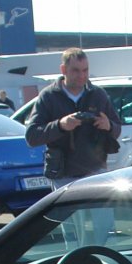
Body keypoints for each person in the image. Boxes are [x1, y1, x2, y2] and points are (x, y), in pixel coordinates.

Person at [26, 47, 121, 188]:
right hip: (63, 175)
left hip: (95, 172)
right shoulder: (49, 96)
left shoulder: (98, 95)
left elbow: (117, 129)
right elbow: (32, 136)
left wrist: (109, 125)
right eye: (76, 70)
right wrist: (60, 125)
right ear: (63, 70)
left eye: (85, 70)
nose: (82, 75)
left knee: (98, 210)